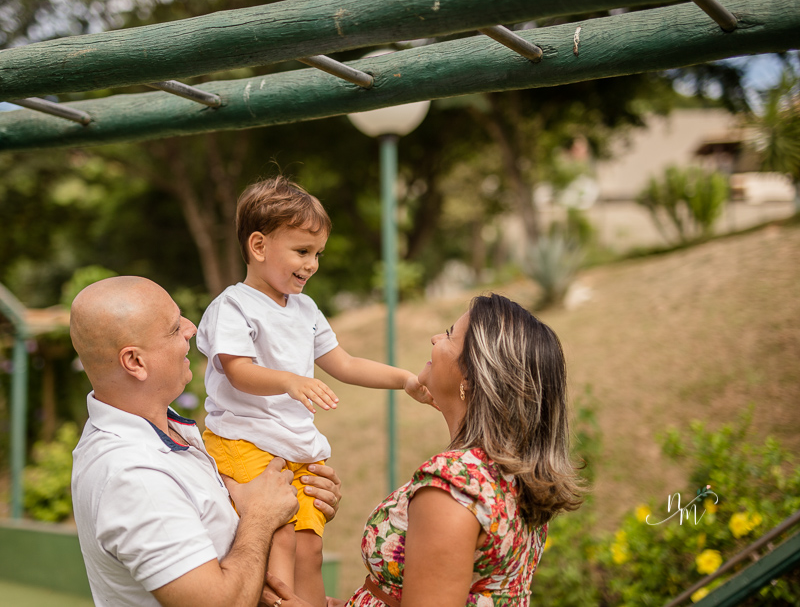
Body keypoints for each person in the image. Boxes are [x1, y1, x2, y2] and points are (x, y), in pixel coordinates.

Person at [196, 176, 435, 606]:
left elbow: (344, 363)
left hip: (295, 449)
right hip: (244, 440)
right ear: (258, 245)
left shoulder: (305, 309)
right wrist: (290, 380)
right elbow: (237, 370)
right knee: (280, 536)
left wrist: (404, 380)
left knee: (310, 546)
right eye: (302, 251)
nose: (312, 265)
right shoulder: (232, 306)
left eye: (317, 254)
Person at [261, 293, 585, 607]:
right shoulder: (513, 478)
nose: (434, 339)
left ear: (471, 377)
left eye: (448, 335)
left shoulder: (453, 487)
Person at [69, 276, 342, 607]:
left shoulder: (165, 432)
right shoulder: (133, 476)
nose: (191, 329)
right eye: (173, 329)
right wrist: (262, 515)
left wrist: (299, 497)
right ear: (135, 362)